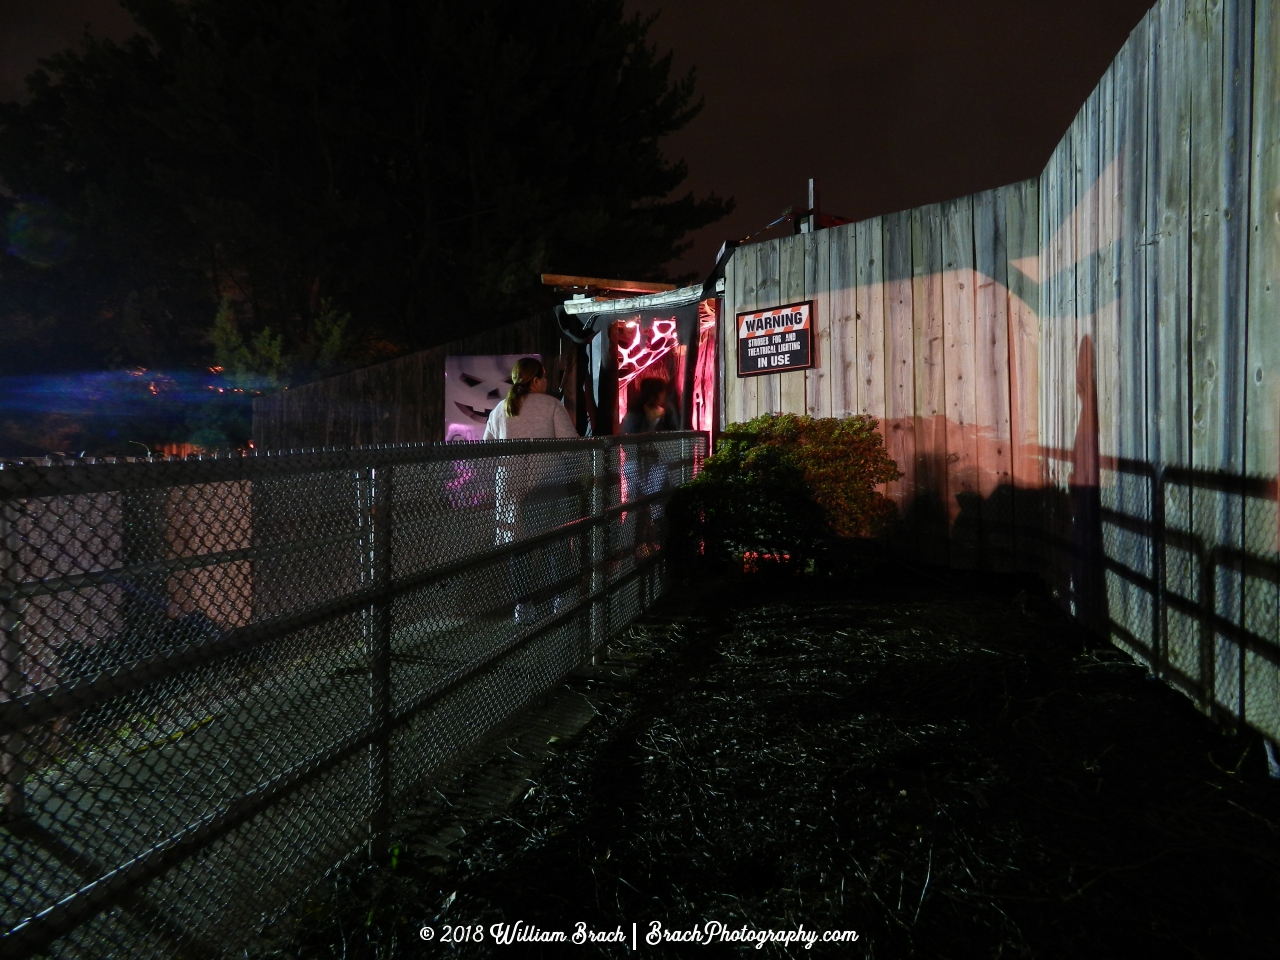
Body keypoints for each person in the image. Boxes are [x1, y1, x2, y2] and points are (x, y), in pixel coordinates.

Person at [483, 357, 579, 623]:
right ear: (536, 380)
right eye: (544, 376)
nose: (546, 381)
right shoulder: (551, 405)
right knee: (555, 543)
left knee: (520, 549)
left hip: (511, 487)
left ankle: (523, 608)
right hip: (547, 482)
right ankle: (561, 599)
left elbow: (486, 448)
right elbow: (570, 443)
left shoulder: (500, 409)